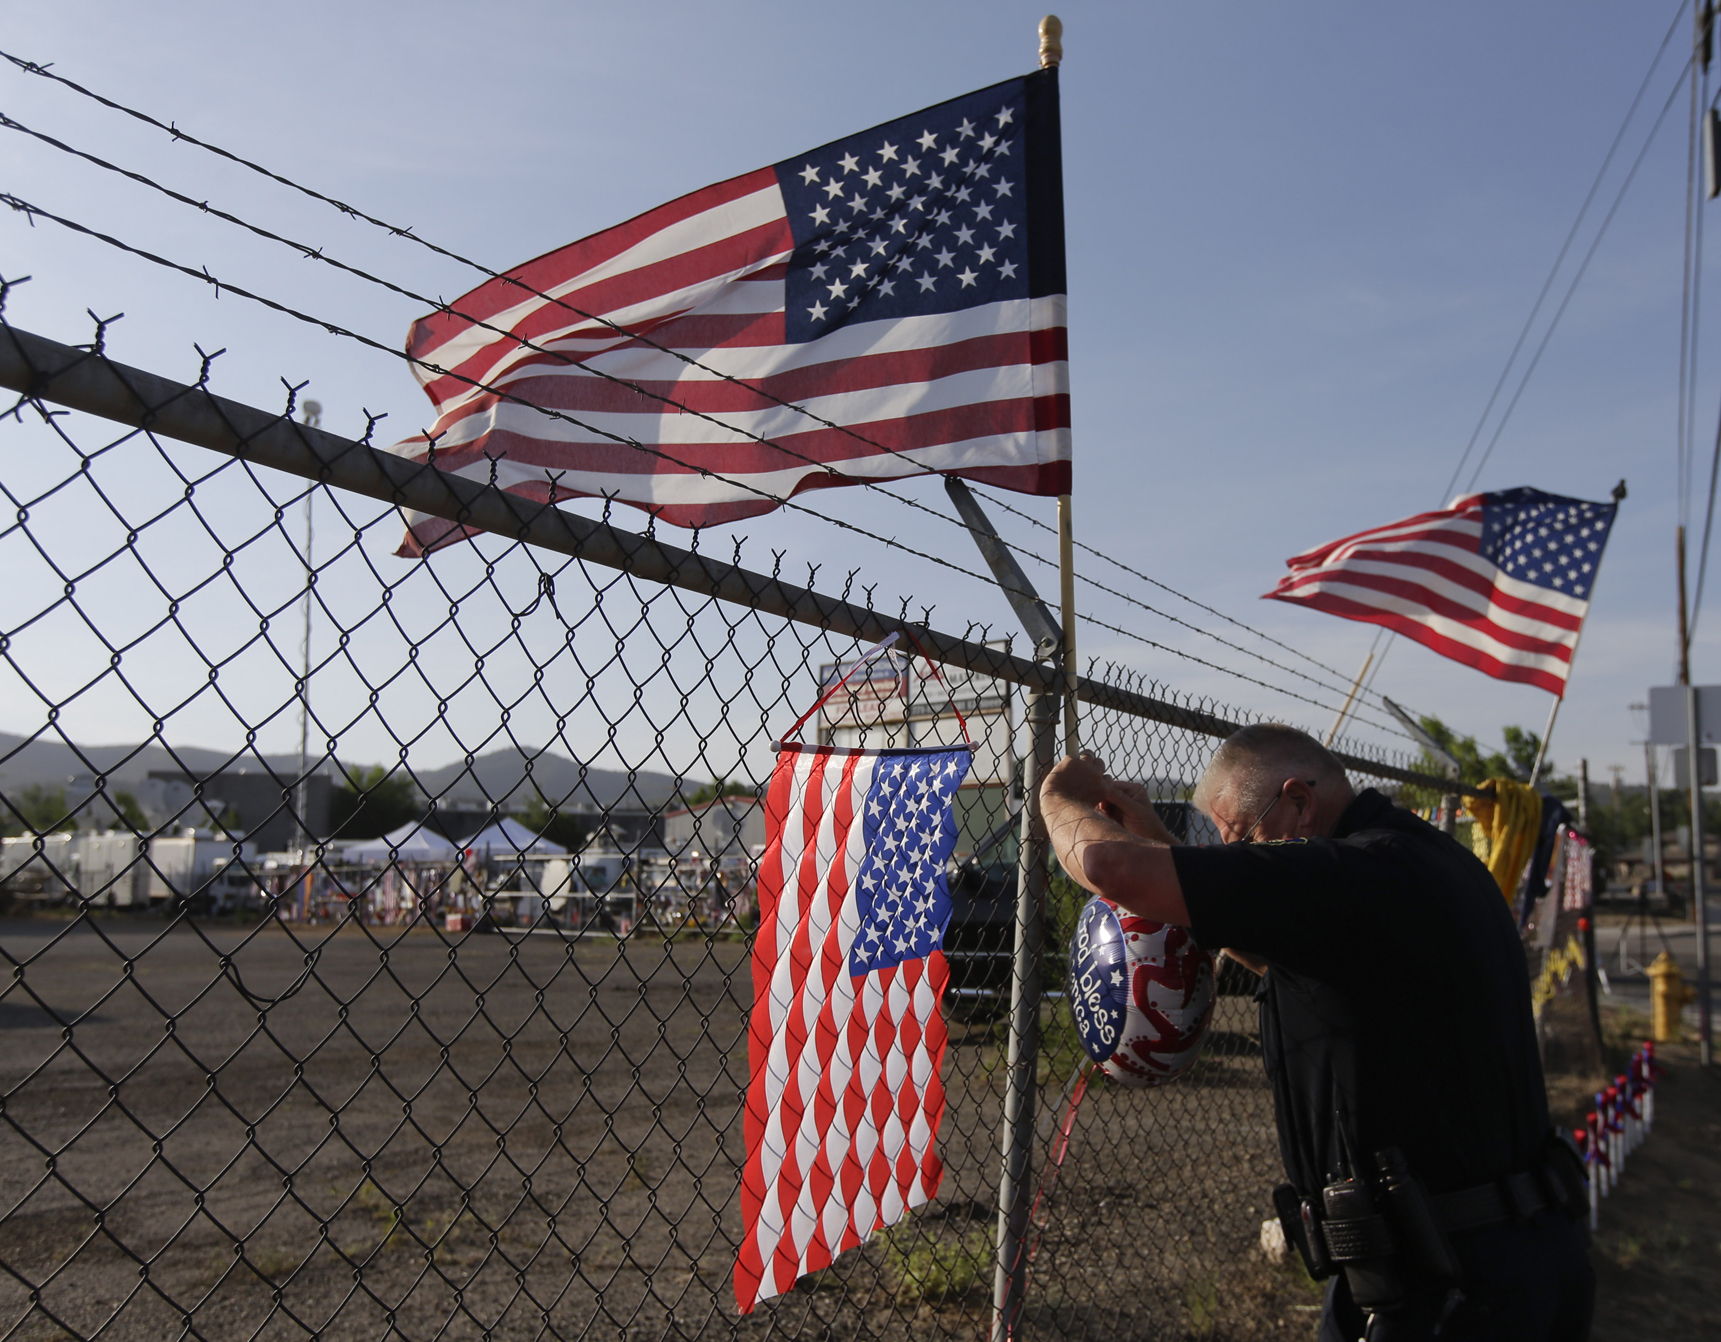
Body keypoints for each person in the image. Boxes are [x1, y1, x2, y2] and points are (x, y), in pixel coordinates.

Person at [1040, 723, 1593, 1341]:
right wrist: (1159, 838)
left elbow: (1105, 866)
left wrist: (1059, 797)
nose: (1238, 860)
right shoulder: (1409, 865)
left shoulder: (1351, 871)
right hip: (1496, 1251)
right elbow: (1290, 961)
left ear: (1299, 802)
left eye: (1243, 841)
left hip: (1446, 1283)